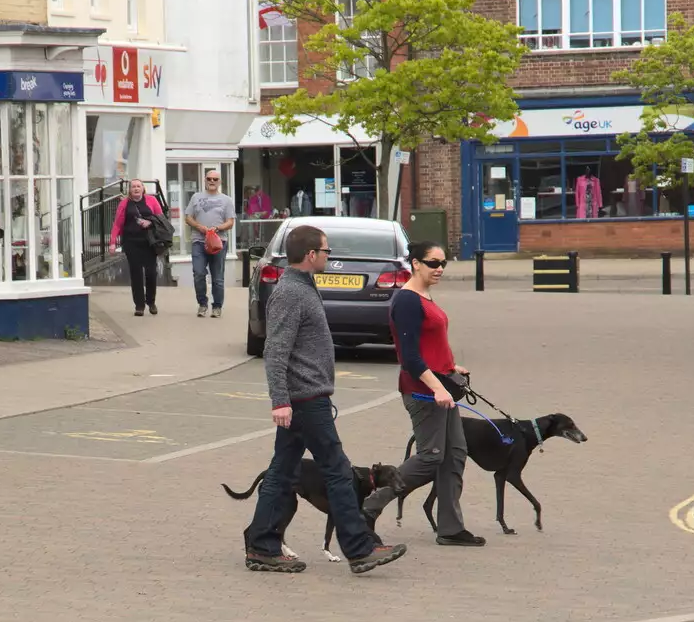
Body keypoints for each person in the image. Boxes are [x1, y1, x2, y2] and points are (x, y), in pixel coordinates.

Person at [243, 225, 408, 576]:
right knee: (337, 471)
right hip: (304, 400)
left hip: (307, 396)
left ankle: (261, 544)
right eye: (326, 251)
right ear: (310, 255)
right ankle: (360, 548)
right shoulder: (290, 292)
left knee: (282, 472)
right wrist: (280, 400)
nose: (330, 257)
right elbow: (275, 351)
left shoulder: (302, 287)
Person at [362, 241, 483, 547]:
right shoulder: (406, 301)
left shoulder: (425, 295)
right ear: (415, 263)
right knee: (431, 458)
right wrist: (439, 387)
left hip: (442, 387)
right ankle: (368, 507)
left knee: (454, 456)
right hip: (424, 393)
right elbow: (410, 358)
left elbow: (430, 344)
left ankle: (451, 528)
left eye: (443, 263)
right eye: (433, 263)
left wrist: (451, 366)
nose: (439, 268)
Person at [109, 180, 166, 316]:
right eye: (133, 187)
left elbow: (161, 219)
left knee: (151, 273)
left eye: (138, 186)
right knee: (136, 274)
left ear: (143, 188)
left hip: (149, 243)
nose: (136, 189)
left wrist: (150, 222)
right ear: (130, 190)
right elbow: (117, 224)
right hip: (131, 242)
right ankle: (139, 305)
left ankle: (151, 302)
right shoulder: (124, 203)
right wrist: (112, 242)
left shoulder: (151, 200)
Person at [185, 171, 235, 318]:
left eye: (215, 179)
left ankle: (217, 306)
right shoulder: (196, 197)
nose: (212, 181)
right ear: (205, 180)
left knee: (218, 278)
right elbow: (188, 218)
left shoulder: (226, 200)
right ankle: (202, 304)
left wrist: (218, 228)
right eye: (209, 178)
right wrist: (199, 226)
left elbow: (230, 222)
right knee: (199, 273)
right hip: (199, 242)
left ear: (220, 182)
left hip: (218, 243)